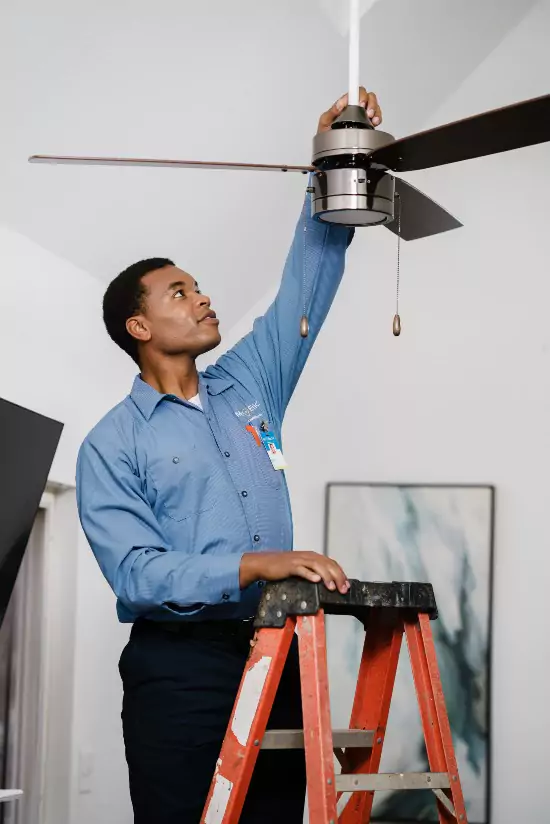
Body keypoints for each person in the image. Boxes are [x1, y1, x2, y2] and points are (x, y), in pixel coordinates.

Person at [76, 86, 383, 823]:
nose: (203, 299)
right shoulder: (110, 444)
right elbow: (140, 573)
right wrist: (255, 565)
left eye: (200, 288)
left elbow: (301, 291)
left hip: (277, 656)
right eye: (180, 293)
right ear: (139, 326)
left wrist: (328, 166)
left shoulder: (249, 387)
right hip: (179, 672)